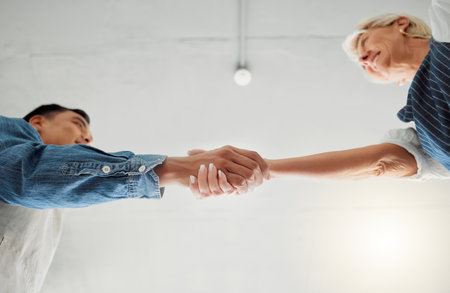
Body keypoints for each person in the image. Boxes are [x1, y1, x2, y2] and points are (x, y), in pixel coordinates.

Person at [0, 104, 268, 292]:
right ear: (37, 122)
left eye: (90, 138)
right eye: (78, 125)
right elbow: (22, 172)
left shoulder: (53, 213)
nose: (86, 138)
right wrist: (177, 169)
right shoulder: (13, 132)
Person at [197, 0, 449, 192]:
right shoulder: (426, 138)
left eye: (364, 43)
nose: (363, 59)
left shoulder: (445, 23)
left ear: (401, 23)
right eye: (362, 65)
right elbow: (379, 163)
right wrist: (266, 168)